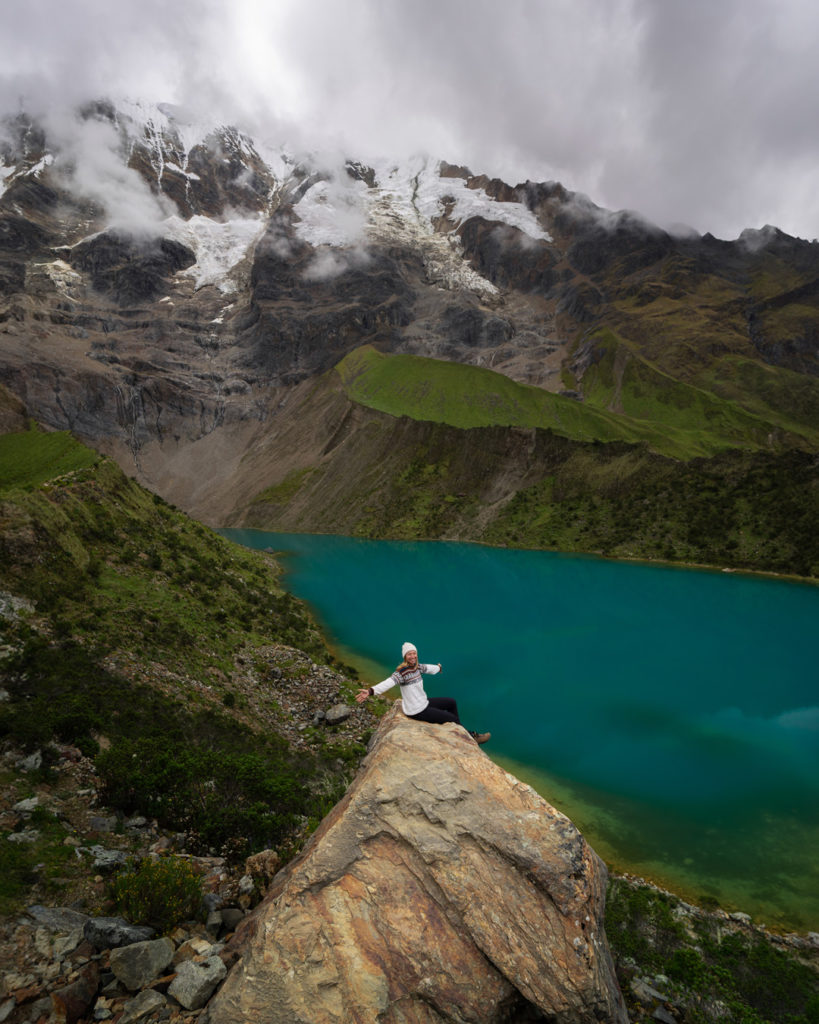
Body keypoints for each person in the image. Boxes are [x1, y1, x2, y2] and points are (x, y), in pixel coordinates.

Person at [355, 642, 491, 745]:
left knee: (451, 702)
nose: (413, 656)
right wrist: (370, 691)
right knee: (452, 718)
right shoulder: (401, 673)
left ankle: (461, 733)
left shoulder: (417, 667)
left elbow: (429, 668)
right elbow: (388, 683)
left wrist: (439, 668)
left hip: (423, 703)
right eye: (409, 654)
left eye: (414, 653)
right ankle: (470, 737)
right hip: (417, 710)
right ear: (405, 657)